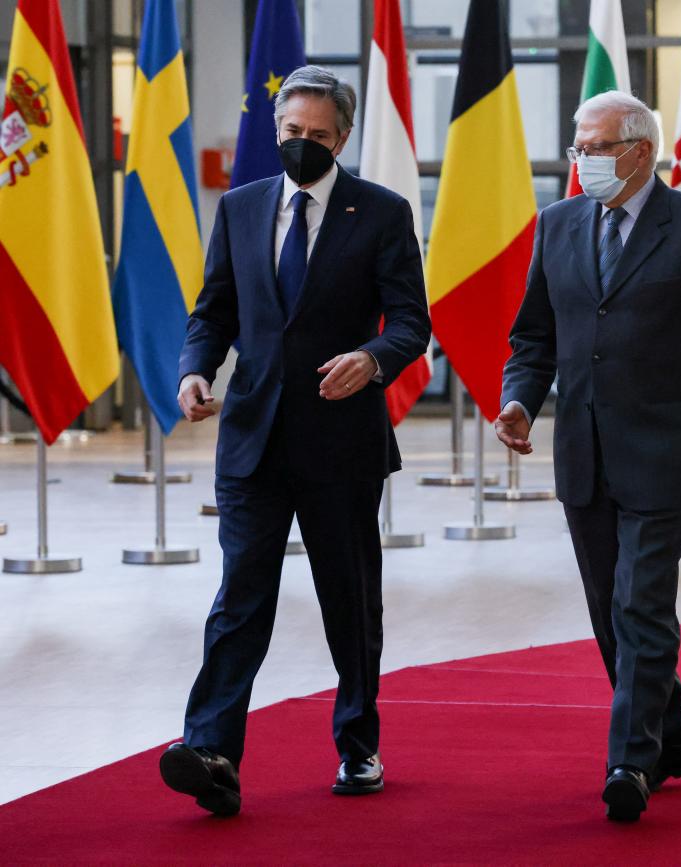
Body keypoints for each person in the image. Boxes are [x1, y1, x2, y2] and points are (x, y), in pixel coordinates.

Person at [161, 65, 431, 816]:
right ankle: (211, 748)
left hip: (342, 444)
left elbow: (412, 320)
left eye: (318, 135)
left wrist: (373, 359)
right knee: (240, 597)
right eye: (291, 132)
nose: (302, 144)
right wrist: (194, 371)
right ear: (275, 130)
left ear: (343, 137)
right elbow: (213, 309)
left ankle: (359, 745)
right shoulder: (242, 207)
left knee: (350, 600)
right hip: (251, 438)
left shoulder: (379, 212)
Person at [495, 91, 681, 822]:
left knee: (642, 604)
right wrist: (520, 399)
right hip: (582, 451)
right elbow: (533, 337)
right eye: (578, 148)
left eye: (597, 147)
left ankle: (629, 761)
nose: (582, 162)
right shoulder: (557, 226)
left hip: (663, 452)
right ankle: (668, 732)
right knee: (609, 614)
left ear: (641, 150)